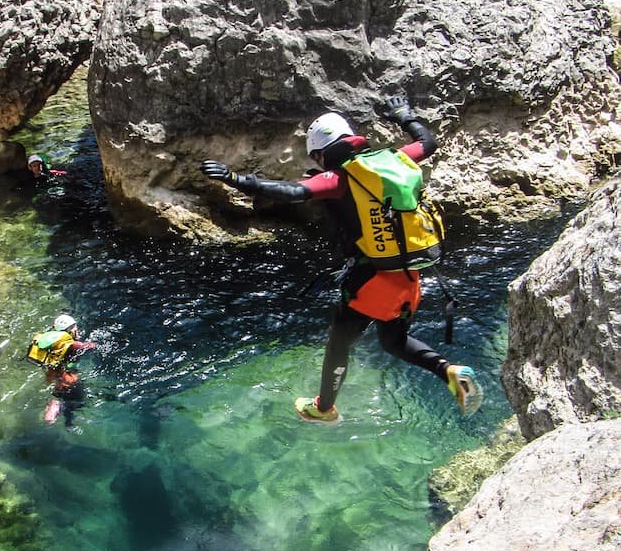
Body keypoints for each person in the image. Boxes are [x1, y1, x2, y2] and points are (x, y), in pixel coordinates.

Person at [200, 94, 482, 423]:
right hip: (408, 274)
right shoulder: (393, 160)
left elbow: (295, 192)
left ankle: (323, 409)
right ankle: (449, 370)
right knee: (393, 341)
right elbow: (426, 141)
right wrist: (404, 115)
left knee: (339, 344)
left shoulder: (340, 178)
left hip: (371, 283)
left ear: (321, 153)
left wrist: (237, 180)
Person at [30, 314, 96, 426]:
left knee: (66, 402)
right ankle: (56, 406)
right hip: (69, 381)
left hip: (53, 379)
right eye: (75, 327)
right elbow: (90, 346)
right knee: (77, 403)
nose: (77, 329)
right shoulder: (72, 345)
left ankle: (67, 422)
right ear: (70, 329)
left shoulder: (52, 342)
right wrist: (95, 344)